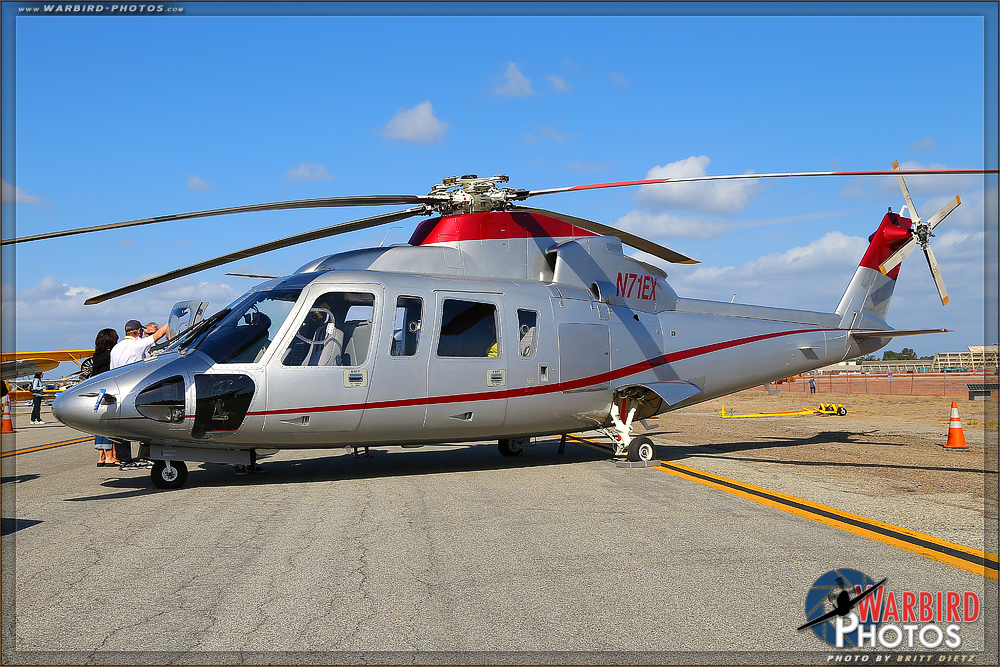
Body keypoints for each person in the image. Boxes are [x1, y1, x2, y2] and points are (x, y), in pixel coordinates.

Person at [111, 319, 170, 470]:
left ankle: (124, 460)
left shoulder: (116, 348)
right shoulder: (137, 345)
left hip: (118, 389)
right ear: (138, 332)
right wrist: (171, 321)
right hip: (135, 389)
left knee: (122, 426)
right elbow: (158, 335)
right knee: (149, 422)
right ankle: (150, 456)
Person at [91, 328, 120, 466]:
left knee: (99, 424)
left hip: (98, 391)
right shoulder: (111, 355)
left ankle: (101, 456)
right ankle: (110, 456)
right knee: (110, 423)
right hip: (109, 390)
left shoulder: (96, 356)